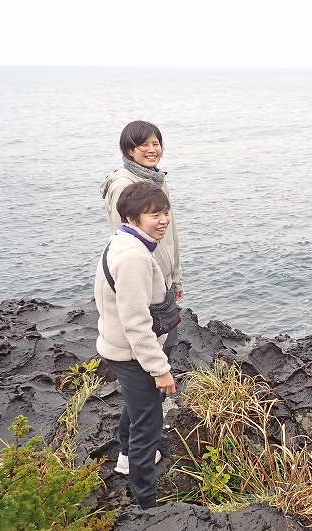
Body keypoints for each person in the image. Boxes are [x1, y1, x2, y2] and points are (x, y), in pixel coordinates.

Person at [95, 181, 177, 510]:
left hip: (117, 349)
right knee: (149, 425)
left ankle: (126, 456)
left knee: (135, 408)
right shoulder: (133, 258)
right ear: (132, 218)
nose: (163, 220)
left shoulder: (122, 242)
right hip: (133, 357)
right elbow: (136, 322)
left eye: (166, 212)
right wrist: (160, 370)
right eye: (154, 214)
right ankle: (147, 505)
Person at [100, 120, 184, 353]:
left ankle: (161, 388)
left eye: (156, 144)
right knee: (150, 350)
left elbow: (170, 233)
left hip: (162, 281)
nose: (152, 150)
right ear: (129, 150)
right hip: (143, 282)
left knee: (167, 347)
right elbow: (126, 241)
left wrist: (175, 278)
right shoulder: (124, 185)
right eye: (143, 145)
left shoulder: (156, 179)